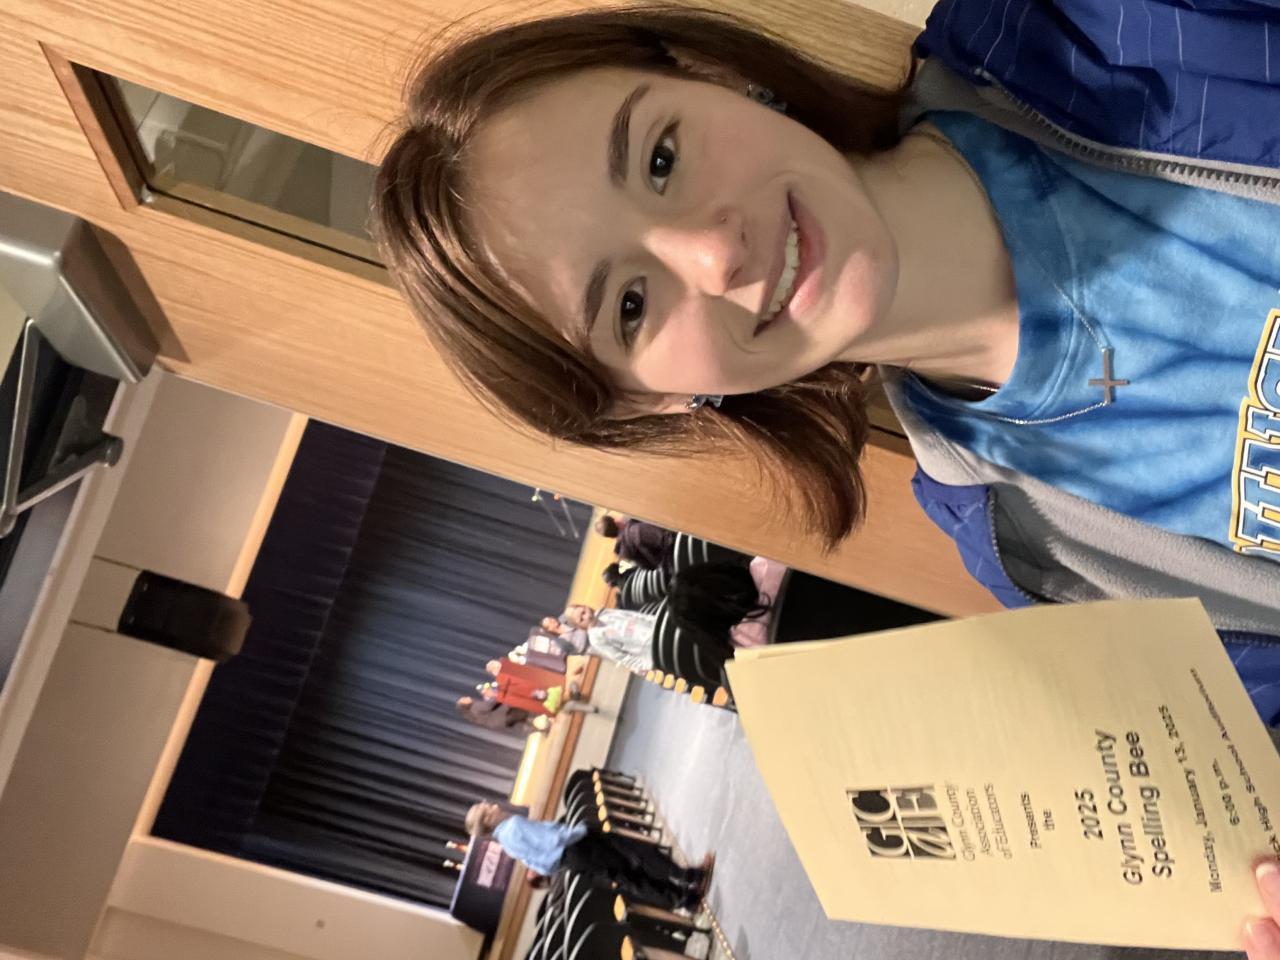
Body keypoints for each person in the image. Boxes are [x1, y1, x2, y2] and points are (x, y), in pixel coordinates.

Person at [372, 1, 1280, 716]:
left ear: (714, 75)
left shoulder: (1099, 25)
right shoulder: (1031, 551)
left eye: (660, 158)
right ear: (652, 402)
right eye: (631, 306)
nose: (714, 253)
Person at [464, 800, 713, 910]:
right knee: (637, 853)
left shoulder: (506, 843)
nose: (495, 806)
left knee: (630, 879)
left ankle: (685, 899)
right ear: (489, 819)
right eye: (489, 808)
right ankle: (688, 876)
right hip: (579, 846)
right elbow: (553, 839)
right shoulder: (514, 825)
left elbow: (540, 866)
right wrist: (579, 830)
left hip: (571, 861)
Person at [595, 514, 676, 570]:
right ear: (616, 521)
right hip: (676, 553)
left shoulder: (624, 553)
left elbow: (649, 566)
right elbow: (669, 539)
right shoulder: (636, 531)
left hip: (673, 565)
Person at [455, 695, 546, 735]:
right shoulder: (475, 707)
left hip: (501, 721)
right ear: (465, 704)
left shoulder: (473, 711)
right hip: (503, 717)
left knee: (521, 717)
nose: (467, 697)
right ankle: (539, 722)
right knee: (523, 711)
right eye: (465, 699)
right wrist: (495, 695)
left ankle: (535, 727)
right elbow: (489, 705)